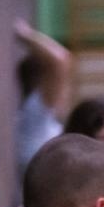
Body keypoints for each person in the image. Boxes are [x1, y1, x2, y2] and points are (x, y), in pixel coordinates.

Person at [13, 19, 74, 195]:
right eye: (62, 86)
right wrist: (25, 34)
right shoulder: (38, 110)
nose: (65, 91)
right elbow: (60, 59)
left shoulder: (36, 115)